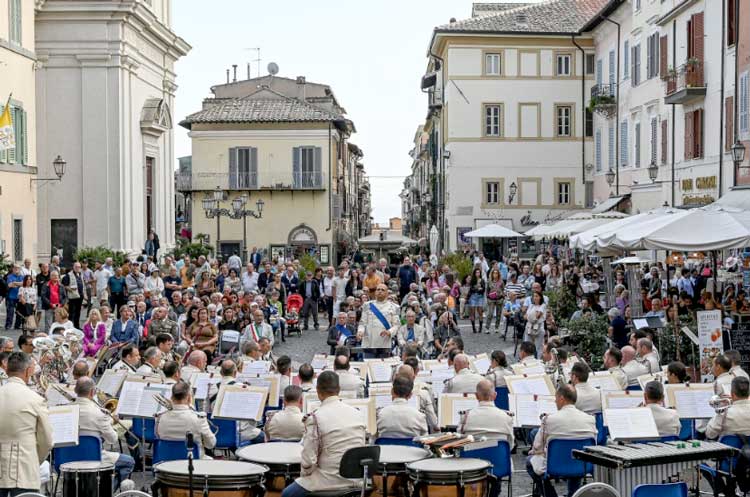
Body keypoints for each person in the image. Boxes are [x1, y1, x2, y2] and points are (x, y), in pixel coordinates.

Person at [282, 371, 366, 497]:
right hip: (355, 480)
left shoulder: (315, 418)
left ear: (318, 391)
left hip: (327, 481)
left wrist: (304, 477)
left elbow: (308, 461)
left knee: (287, 494)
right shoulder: (358, 414)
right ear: (339, 389)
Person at [527, 385, 597, 497]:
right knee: (577, 456)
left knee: (529, 462)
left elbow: (537, 446)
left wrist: (537, 451)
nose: (555, 401)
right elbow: (593, 446)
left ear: (561, 398)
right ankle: (573, 494)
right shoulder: (590, 419)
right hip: (582, 466)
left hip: (555, 465)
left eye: (556, 398)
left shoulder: (549, 419)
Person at [0, 352, 54, 497]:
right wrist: (35, 460)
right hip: (24, 467)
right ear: (28, 370)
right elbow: (47, 440)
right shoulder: (35, 399)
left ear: (6, 370)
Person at [73, 377, 135, 489]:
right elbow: (112, 439)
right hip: (93, 457)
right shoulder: (99, 413)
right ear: (92, 392)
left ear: (75, 391)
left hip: (68, 458)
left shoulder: (66, 410)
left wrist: (108, 421)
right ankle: (104, 492)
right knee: (129, 462)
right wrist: (109, 423)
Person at [703, 377, 750, 496]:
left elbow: (709, 433)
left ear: (732, 394)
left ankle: (724, 491)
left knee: (702, 463)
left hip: (730, 463)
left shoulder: (725, 413)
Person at [155, 380, 216, 459]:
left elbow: (158, 436)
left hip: (166, 462)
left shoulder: (159, 417)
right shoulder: (198, 418)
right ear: (189, 398)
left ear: (172, 398)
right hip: (192, 462)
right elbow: (211, 444)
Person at [459, 379, 514, 444]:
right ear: (495, 395)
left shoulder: (465, 416)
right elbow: (510, 444)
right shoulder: (507, 417)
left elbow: (459, 441)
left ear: (476, 396)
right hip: (497, 453)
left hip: (472, 453)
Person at [375, 375, 428, 439]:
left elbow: (376, 439)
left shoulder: (381, 414)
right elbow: (425, 440)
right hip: (412, 449)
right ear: (410, 395)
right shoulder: (419, 416)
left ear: (392, 391)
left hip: (387, 449)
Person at [357, 284, 399, 359]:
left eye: (382, 290)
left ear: (387, 293)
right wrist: (360, 331)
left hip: (384, 342)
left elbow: (396, 325)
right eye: (378, 289)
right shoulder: (367, 305)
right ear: (375, 292)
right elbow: (362, 323)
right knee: (369, 367)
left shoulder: (394, 307)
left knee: (382, 367)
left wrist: (389, 332)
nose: (380, 291)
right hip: (369, 342)